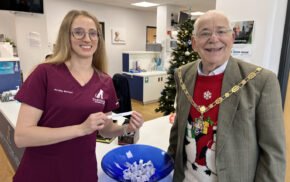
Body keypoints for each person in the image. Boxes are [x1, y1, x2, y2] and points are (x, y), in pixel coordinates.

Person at [13, 10, 144, 182]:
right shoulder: (44, 73)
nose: (87, 39)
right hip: (41, 172)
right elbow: (22, 136)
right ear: (66, 36)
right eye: (78, 32)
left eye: (93, 33)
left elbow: (105, 130)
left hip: (82, 172)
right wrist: (80, 129)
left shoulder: (104, 81)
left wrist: (127, 128)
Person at [167, 10, 285, 182]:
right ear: (194, 43)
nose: (214, 39)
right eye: (205, 33)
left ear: (232, 38)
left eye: (221, 32)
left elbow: (273, 153)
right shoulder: (182, 74)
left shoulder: (261, 81)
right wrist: (169, 163)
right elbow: (178, 128)